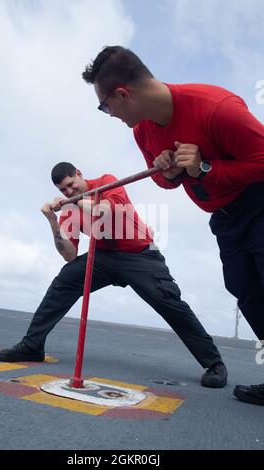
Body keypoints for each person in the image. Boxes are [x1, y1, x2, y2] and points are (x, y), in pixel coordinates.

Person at [82, 45, 264, 405]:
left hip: (258, 205)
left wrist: (206, 167)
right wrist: (170, 172)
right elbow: (165, 182)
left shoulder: (216, 107)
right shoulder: (142, 132)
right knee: (248, 293)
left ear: (122, 94)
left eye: (105, 107)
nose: (109, 114)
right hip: (224, 220)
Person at [0, 162, 227, 388]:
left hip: (140, 254)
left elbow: (105, 211)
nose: (68, 192)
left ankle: (214, 363)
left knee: (169, 302)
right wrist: (52, 222)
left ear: (79, 173)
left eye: (70, 185)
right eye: (63, 191)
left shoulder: (106, 182)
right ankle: (32, 346)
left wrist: (73, 201)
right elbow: (69, 254)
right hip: (104, 256)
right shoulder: (70, 209)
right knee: (64, 282)